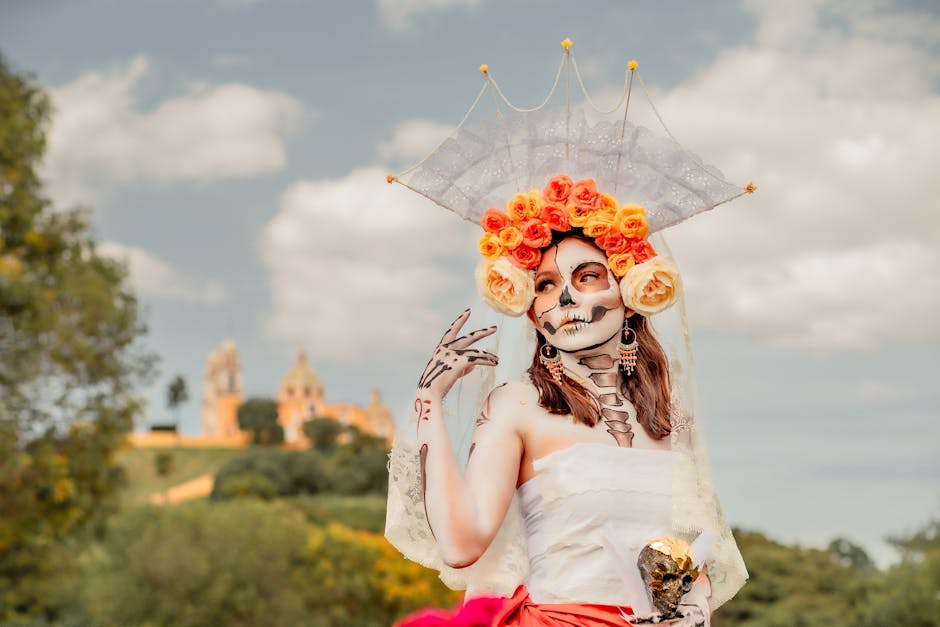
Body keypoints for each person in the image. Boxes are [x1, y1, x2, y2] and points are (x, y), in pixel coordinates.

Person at [387, 176, 747, 626]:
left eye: (588, 276)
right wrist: (429, 404)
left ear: (631, 294)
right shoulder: (518, 406)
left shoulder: (672, 418)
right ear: (533, 312)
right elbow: (462, 547)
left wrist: (692, 606)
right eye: (544, 285)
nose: (567, 298)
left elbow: (693, 552)